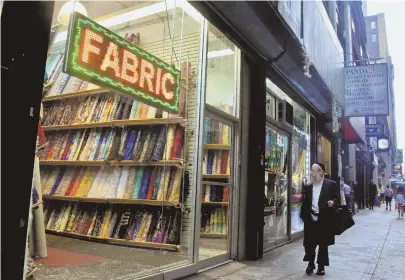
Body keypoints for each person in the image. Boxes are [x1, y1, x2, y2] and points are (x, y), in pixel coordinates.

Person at [300, 162, 340, 276]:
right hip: (310, 219)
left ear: (320, 172)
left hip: (324, 219)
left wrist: (333, 202)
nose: (312, 173)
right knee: (309, 244)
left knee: (323, 244)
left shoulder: (331, 184)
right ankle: (310, 264)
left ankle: (321, 266)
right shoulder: (308, 186)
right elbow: (305, 202)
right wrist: (304, 216)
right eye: (311, 170)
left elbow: (338, 198)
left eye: (314, 171)